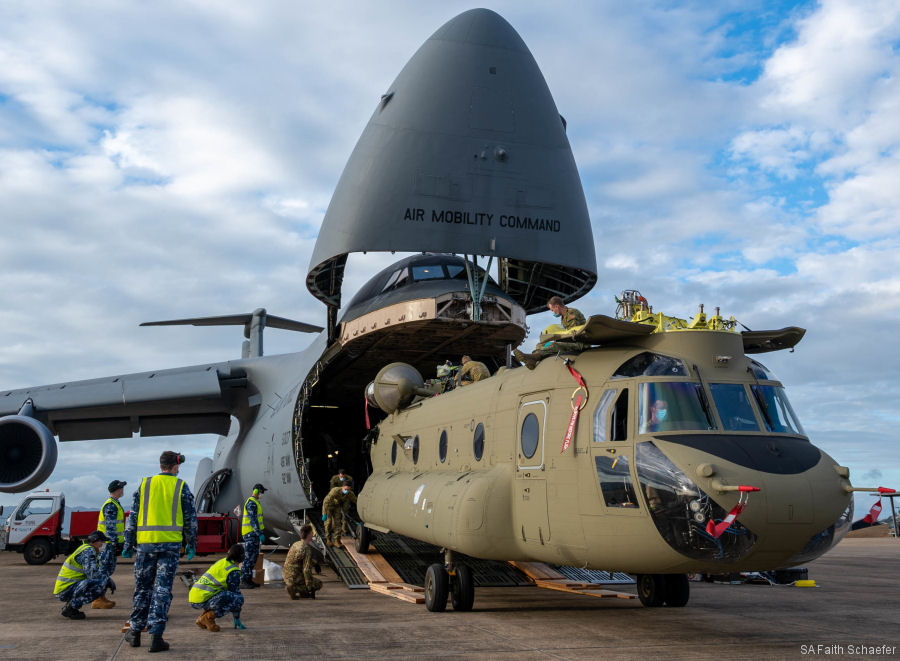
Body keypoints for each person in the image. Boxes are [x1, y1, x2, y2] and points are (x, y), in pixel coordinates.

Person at [122, 450, 198, 653]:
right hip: (170, 547)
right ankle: (156, 637)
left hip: (145, 546)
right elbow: (191, 519)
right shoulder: (181, 486)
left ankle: (135, 633)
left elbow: (133, 517)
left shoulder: (145, 485)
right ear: (175, 466)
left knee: (142, 589)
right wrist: (191, 543)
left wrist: (128, 543)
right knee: (162, 590)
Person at [53, 530, 116, 619]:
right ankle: (71, 608)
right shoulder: (88, 551)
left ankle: (72, 606)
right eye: (102, 541)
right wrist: (108, 580)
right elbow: (92, 574)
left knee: (101, 581)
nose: (103, 544)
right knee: (100, 584)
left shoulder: (89, 550)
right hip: (65, 589)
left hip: (68, 587)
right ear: (95, 542)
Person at [513, 296, 587, 369]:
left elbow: (574, 334)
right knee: (541, 344)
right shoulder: (563, 317)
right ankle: (533, 359)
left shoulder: (571, 313)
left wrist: (557, 340)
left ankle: (534, 357)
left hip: (580, 343)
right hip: (571, 340)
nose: (553, 312)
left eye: (552, 310)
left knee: (554, 345)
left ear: (557, 306)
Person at [189, 544, 246, 631]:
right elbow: (235, 595)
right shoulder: (233, 571)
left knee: (223, 594)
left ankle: (202, 618)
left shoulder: (222, 561)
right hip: (203, 598)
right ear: (241, 557)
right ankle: (208, 618)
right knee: (238, 599)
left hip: (195, 597)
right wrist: (236, 617)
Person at [282, 524, 322, 599]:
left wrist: (315, 564)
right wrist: (310, 587)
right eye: (311, 533)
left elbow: (300, 559)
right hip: (295, 576)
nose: (312, 534)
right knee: (318, 583)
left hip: (286, 574)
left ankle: (302, 593)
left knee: (302, 577)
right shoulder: (307, 549)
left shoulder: (296, 544)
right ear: (309, 534)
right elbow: (306, 570)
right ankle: (295, 589)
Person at [240, 483, 267, 590]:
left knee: (253, 558)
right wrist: (259, 533)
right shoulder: (251, 503)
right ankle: (244, 580)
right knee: (249, 558)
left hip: (254, 535)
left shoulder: (256, 503)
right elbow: (253, 520)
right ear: (256, 491)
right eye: (261, 492)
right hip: (250, 534)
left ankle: (249, 579)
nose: (262, 494)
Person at [97, 480, 127, 570]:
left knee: (107, 570)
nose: (123, 490)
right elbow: (110, 526)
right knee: (105, 570)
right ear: (118, 490)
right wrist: (115, 544)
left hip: (109, 544)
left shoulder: (114, 503)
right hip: (108, 544)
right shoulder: (111, 505)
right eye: (122, 488)